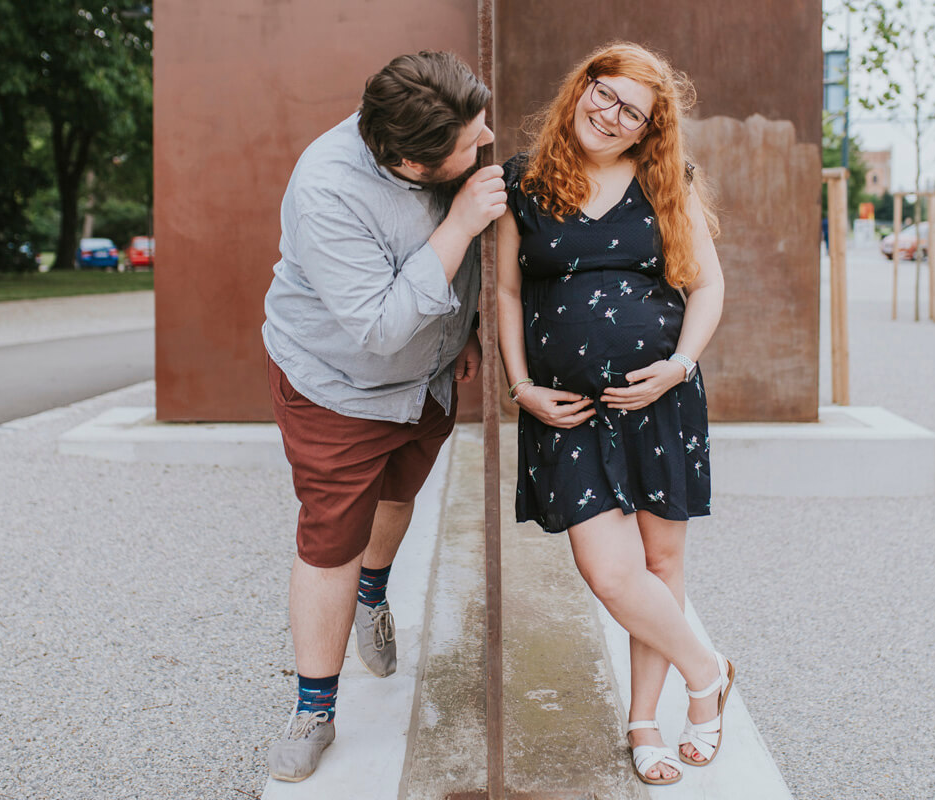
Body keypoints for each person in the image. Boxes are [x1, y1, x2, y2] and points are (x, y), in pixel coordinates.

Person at [261, 51, 505, 782]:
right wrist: (460, 222)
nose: (486, 139)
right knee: (331, 539)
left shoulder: (442, 131)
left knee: (397, 495)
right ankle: (314, 709)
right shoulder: (327, 190)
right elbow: (376, 324)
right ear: (409, 160)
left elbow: (465, 271)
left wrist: (466, 334)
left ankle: (374, 595)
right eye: (470, 144)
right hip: (341, 387)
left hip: (427, 380)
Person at [495, 42, 730, 786]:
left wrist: (678, 366)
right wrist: (520, 386)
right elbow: (503, 294)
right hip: (565, 413)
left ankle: (644, 720)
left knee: (661, 568)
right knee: (610, 573)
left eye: (631, 111)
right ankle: (708, 671)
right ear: (581, 88)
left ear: (645, 132)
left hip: (658, 403)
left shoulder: (668, 185)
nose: (610, 114)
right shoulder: (522, 184)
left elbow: (707, 288)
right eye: (605, 93)